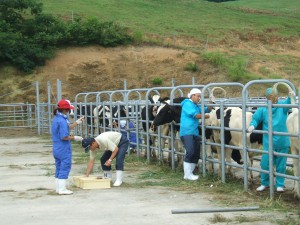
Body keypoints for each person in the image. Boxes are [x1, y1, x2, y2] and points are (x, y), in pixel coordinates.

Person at [248, 88, 294, 192]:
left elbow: (289, 102)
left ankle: (279, 185)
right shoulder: (263, 109)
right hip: (268, 143)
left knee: (281, 166)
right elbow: (255, 118)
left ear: (277, 96)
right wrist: (252, 125)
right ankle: (265, 183)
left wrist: (291, 96)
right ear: (266, 98)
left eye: (273, 96)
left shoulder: (282, 106)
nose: (272, 98)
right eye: (269, 97)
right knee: (265, 164)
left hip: (282, 142)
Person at [180, 88, 213, 181]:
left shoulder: (195, 105)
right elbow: (196, 115)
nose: (199, 98)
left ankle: (190, 173)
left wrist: (211, 102)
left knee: (196, 153)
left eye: (200, 96)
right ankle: (187, 174)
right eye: (198, 96)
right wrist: (207, 116)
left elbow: (206, 110)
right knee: (190, 152)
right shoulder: (187, 104)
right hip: (187, 132)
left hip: (194, 132)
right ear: (192, 96)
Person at [51, 99, 84, 195]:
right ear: (65, 110)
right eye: (69, 109)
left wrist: (77, 123)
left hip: (56, 147)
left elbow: (66, 128)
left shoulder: (58, 118)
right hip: (63, 148)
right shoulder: (62, 120)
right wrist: (75, 138)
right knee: (65, 166)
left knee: (59, 167)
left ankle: (58, 188)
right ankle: (62, 189)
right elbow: (64, 136)